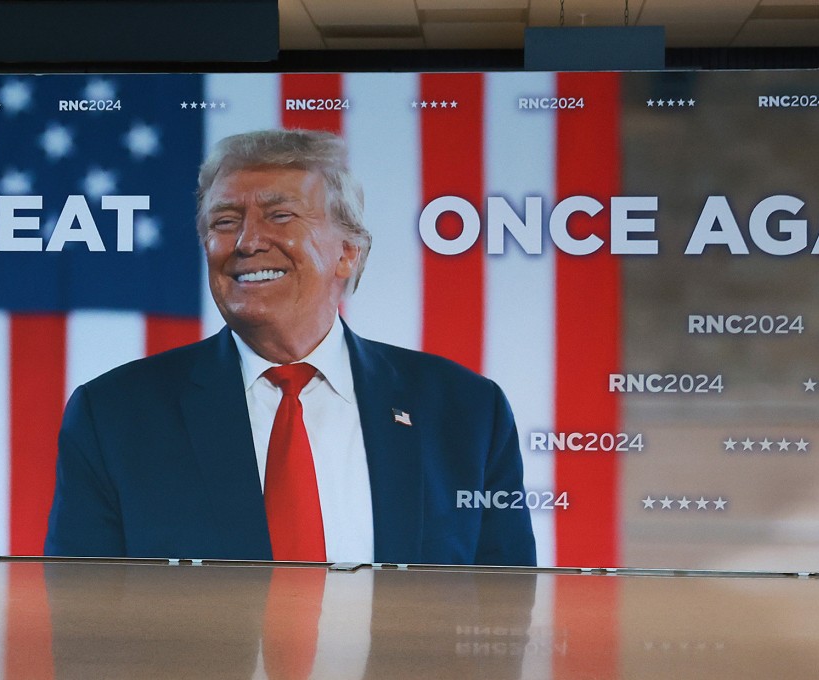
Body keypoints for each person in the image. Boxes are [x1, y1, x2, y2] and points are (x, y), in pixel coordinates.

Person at [44, 129, 535, 566]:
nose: (247, 241)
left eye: (280, 216)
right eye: (224, 222)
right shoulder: (114, 415)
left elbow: (504, 612)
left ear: (347, 253)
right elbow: (82, 627)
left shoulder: (466, 410)